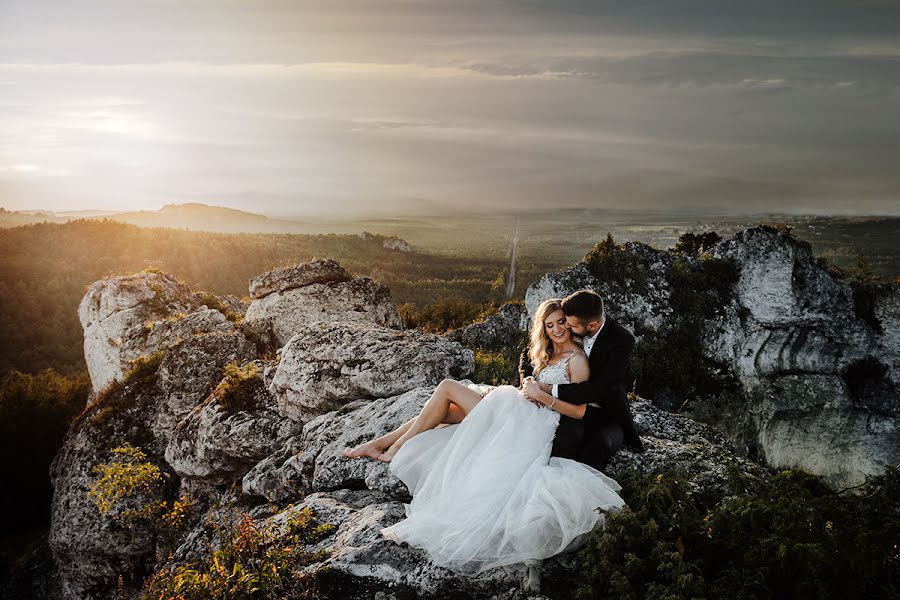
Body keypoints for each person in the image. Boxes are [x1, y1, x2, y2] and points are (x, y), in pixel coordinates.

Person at [345, 299, 627, 589]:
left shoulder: (577, 360)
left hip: (533, 421)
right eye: (549, 324)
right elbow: (527, 377)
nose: (556, 329)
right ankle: (382, 444)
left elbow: (578, 410)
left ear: (570, 323)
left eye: (560, 322)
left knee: (446, 392)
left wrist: (541, 395)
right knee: (446, 408)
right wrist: (529, 388)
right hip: (516, 407)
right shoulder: (547, 352)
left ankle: (391, 448)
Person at [521, 289, 645, 470]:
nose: (563, 328)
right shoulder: (575, 318)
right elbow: (529, 351)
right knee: (561, 439)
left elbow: (598, 390)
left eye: (566, 324)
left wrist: (545, 389)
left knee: (595, 449)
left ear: (592, 325)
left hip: (604, 413)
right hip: (569, 410)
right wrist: (529, 380)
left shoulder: (620, 340)